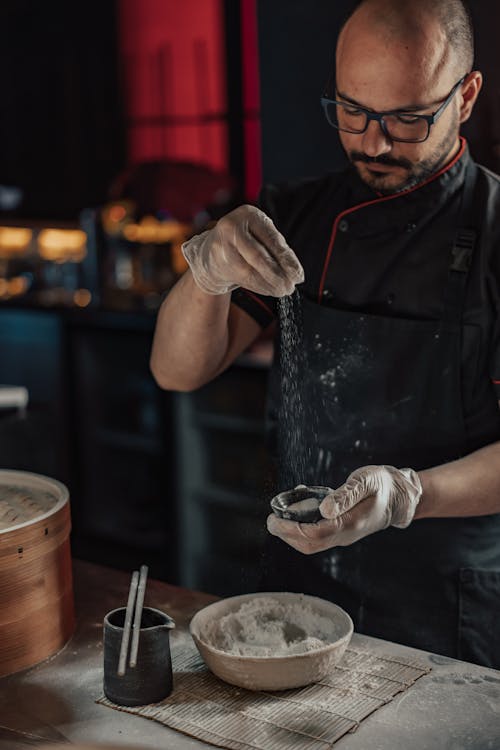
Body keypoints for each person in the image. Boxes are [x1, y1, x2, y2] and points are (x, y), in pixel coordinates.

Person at [150, 0, 500, 668]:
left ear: (468, 95)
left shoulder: (495, 233)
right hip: (300, 588)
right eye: (352, 111)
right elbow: (176, 371)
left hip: (449, 606)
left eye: (407, 119)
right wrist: (207, 275)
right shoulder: (295, 215)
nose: (373, 142)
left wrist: (408, 495)